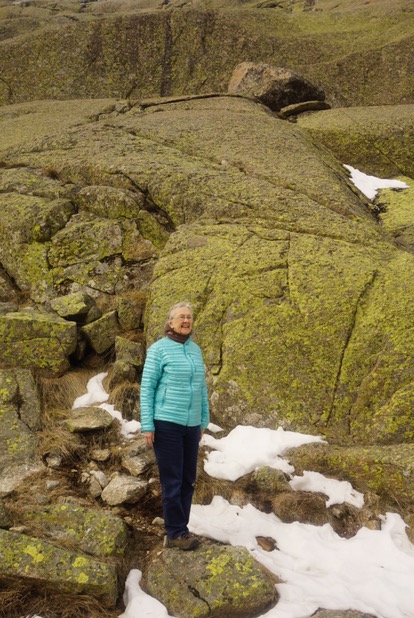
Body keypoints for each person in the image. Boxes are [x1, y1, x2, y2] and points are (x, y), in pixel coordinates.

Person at [140, 301, 210, 551]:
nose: (186, 320)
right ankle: (175, 533)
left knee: (188, 479)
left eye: (189, 317)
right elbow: (147, 388)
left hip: (191, 425)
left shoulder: (195, 350)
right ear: (170, 323)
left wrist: (203, 420)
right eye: (181, 317)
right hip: (166, 422)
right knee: (173, 480)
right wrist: (147, 424)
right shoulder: (158, 350)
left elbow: (201, 388)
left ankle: (181, 528)